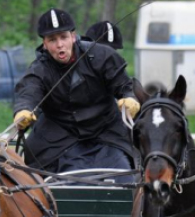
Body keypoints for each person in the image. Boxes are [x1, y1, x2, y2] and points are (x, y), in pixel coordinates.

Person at [13, 8, 140, 183]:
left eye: (63, 37)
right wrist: (23, 110)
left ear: (73, 36)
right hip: (62, 141)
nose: (59, 45)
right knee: (69, 185)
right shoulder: (39, 69)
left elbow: (123, 83)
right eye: (52, 40)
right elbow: (29, 90)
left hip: (107, 135)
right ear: (44, 44)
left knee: (126, 179)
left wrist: (128, 97)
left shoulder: (101, 55)